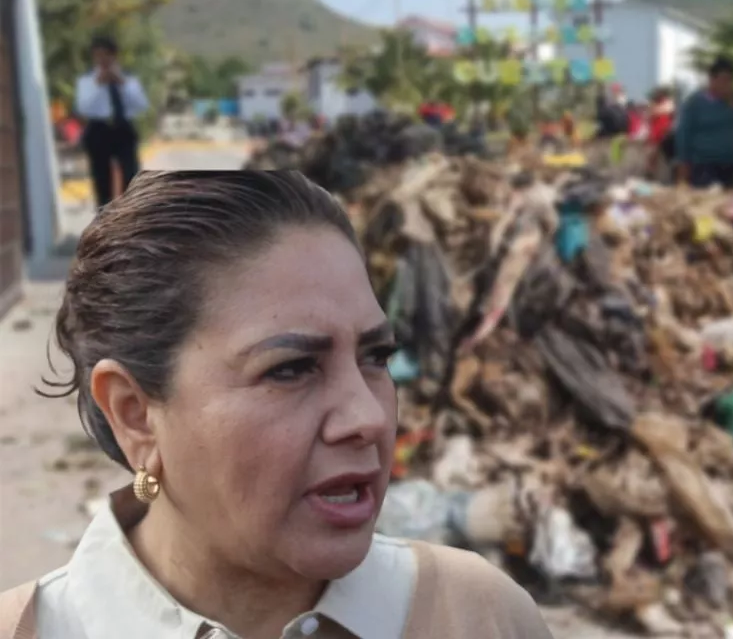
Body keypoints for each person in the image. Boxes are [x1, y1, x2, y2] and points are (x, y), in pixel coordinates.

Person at [0, 172, 553, 639]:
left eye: (376, 356)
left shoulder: (477, 616)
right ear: (134, 414)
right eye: (290, 369)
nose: (369, 417)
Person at [75, 36, 149, 207]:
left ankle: (131, 215)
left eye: (106, 56)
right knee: (102, 179)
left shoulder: (128, 79)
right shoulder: (87, 81)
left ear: (114, 56)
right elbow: (83, 108)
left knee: (131, 177)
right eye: (97, 56)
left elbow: (141, 105)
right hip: (99, 129)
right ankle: (105, 219)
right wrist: (98, 85)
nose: (102, 61)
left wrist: (123, 84)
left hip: (123, 128)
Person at [674, 57, 733, 189]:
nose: (726, 84)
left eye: (729, 80)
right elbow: (683, 133)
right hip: (703, 165)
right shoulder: (695, 102)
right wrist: (683, 162)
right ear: (712, 80)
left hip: (729, 163)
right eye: (723, 80)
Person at [645, 88, 677, 180]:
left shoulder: (668, 104)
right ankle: (649, 175)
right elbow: (650, 114)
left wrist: (657, 110)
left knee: (671, 160)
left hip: (665, 136)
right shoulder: (653, 105)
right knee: (651, 157)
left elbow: (669, 110)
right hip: (654, 136)